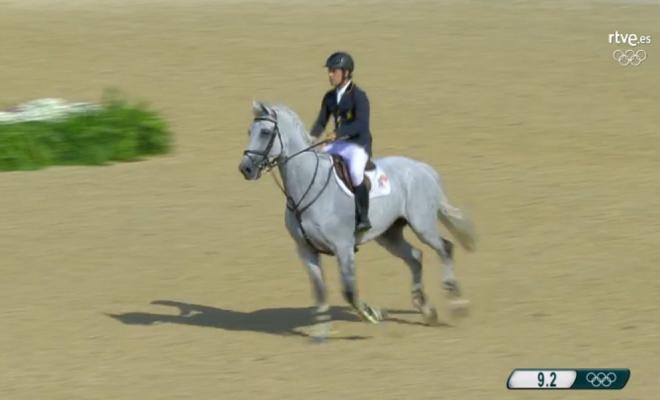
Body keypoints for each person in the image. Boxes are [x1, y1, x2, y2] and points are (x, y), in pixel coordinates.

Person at [310, 51, 373, 233]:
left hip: (358, 145)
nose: (330, 75)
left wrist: (337, 133)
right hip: (338, 144)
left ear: (346, 73)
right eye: (329, 71)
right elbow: (321, 122)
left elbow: (361, 125)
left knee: (355, 173)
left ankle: (363, 218)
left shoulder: (359, 96)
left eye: (333, 71)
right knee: (317, 163)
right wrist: (310, 139)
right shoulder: (329, 97)